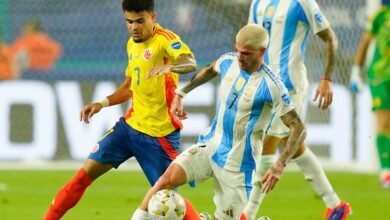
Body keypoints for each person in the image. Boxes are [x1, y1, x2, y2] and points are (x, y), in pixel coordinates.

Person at [131, 24, 307, 220]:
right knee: (165, 181)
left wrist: (279, 165)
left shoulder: (271, 86)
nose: (240, 57)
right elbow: (208, 70)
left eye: (246, 53)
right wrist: (182, 92)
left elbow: (298, 128)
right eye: (238, 50)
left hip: (238, 166)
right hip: (211, 145)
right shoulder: (228, 61)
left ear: (261, 52)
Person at [43, 0, 200, 219]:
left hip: (158, 137)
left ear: (152, 17)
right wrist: (101, 104)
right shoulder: (132, 44)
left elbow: (190, 62)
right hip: (128, 129)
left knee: (167, 200)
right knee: (82, 176)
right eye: (129, 21)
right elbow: (129, 87)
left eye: (140, 21)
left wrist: (170, 66)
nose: (134, 27)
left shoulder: (165, 40)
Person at [248, 0, 352, 219]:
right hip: (262, 85)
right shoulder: (257, 2)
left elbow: (330, 38)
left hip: (289, 87)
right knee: (294, 147)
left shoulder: (301, 3)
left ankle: (246, 214)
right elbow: (249, 44)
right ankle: (336, 205)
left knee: (266, 144)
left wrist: (326, 78)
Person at [349, 1, 390, 188]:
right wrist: (356, 71)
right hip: (380, 77)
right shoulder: (380, 16)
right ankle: (386, 172)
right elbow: (365, 42)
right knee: (384, 122)